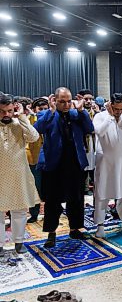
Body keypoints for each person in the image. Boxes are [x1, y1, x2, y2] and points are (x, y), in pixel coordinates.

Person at [35, 87, 94, 248]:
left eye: (69, 101)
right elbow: (37, 129)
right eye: (62, 101)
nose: (66, 104)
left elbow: (89, 129)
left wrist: (81, 110)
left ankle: (75, 228)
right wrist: (51, 111)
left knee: (76, 199)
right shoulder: (46, 114)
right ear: (55, 100)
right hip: (54, 164)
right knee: (53, 201)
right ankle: (51, 233)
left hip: (74, 163)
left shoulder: (77, 114)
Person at [92, 93, 122, 238]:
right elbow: (98, 132)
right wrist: (109, 116)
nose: (119, 112)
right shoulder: (101, 116)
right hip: (106, 162)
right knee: (102, 193)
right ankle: (100, 226)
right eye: (116, 109)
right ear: (110, 105)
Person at [0, 94, 40, 254]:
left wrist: (22, 116)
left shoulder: (19, 124)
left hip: (19, 176)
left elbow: (34, 137)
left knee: (19, 211)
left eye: (9, 111)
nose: (6, 115)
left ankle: (19, 241)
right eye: (2, 111)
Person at [26, 97, 49, 223]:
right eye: (40, 109)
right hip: (34, 159)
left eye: (46, 109)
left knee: (49, 187)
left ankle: (51, 212)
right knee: (34, 187)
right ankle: (34, 214)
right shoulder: (28, 120)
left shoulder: (51, 118)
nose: (43, 111)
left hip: (50, 159)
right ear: (34, 109)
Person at [77, 89, 100, 196]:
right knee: (83, 167)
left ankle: (95, 187)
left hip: (94, 142)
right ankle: (84, 188)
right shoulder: (76, 113)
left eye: (91, 99)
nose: (89, 101)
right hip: (83, 143)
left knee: (94, 166)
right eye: (86, 99)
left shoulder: (96, 113)